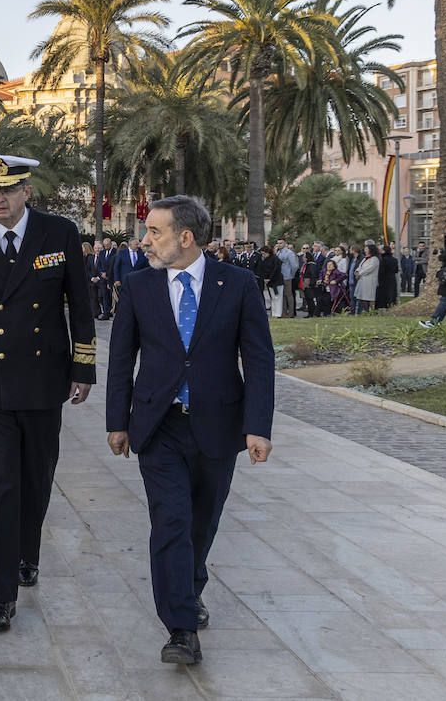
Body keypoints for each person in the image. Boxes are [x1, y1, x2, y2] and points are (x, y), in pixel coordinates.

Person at [106, 195, 274, 665]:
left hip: (218, 426)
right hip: (158, 426)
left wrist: (258, 427)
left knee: (202, 522)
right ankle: (180, 628)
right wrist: (116, 421)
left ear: (185, 237)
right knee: (170, 521)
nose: (145, 241)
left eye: (154, 232)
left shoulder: (237, 284)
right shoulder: (138, 286)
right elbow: (122, 359)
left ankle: (190, 583)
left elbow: (259, 359)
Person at [0, 154, 95, 633]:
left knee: (37, 477)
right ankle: (1, 594)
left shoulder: (59, 233)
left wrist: (83, 367)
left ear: (26, 190)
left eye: (7, 190)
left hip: (44, 377)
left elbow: (80, 303)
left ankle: (28, 551)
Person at [354, 243, 380, 315]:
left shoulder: (374, 259)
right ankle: (366, 311)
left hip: (370, 281)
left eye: (366, 249)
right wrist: (357, 272)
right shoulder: (365, 258)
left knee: (369, 297)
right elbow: (360, 266)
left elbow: (369, 269)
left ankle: (372, 312)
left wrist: (360, 273)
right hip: (362, 281)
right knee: (362, 297)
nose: (365, 250)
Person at [96, 236, 117, 319]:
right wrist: (102, 273)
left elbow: (114, 265)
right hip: (103, 278)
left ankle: (112, 311)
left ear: (111, 244)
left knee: (112, 296)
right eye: (104, 245)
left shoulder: (116, 252)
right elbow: (99, 264)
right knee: (104, 296)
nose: (106, 247)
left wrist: (108, 275)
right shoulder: (102, 252)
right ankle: (106, 313)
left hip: (111, 278)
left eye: (107, 245)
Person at [274, 240, 298, 317]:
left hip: (287, 276)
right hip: (280, 276)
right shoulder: (278, 252)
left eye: (281, 243)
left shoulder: (289, 253)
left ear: (285, 243)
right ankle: (283, 312)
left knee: (289, 295)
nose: (279, 244)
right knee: (282, 295)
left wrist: (291, 274)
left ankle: (291, 313)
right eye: (278, 243)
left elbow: (294, 266)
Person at [376, 243, 399, 310]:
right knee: (391, 293)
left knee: (384, 293)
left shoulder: (382, 259)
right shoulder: (394, 260)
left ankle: (383, 305)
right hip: (392, 278)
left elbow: (381, 270)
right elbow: (396, 270)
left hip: (383, 279)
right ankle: (392, 304)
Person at [83, 241, 102, 319]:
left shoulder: (103, 257)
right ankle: (95, 312)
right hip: (92, 281)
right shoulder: (91, 258)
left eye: (99, 248)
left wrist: (98, 277)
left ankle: (104, 312)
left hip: (100, 281)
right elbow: (88, 269)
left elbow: (104, 268)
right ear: (93, 249)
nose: (97, 249)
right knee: (93, 297)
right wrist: (92, 278)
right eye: (96, 248)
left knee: (101, 297)